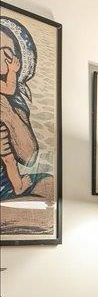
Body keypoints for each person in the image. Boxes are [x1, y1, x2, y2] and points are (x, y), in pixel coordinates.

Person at [0, 16, 54, 201]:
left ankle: (18, 185)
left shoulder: (13, 102)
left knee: (9, 159)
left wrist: (8, 114)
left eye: (6, 54)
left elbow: (28, 156)